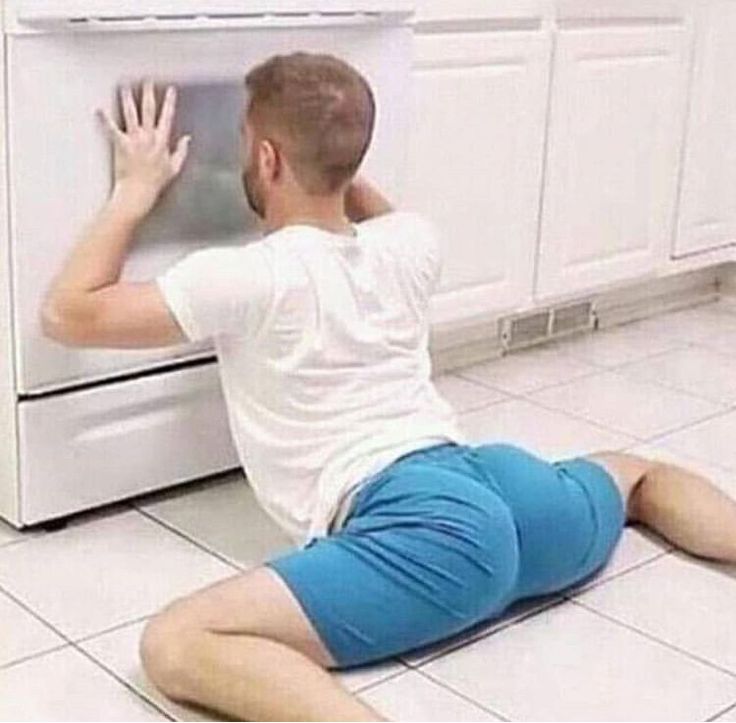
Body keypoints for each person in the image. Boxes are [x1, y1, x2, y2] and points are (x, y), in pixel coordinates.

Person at [41, 52, 736, 722]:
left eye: (246, 138)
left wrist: (135, 190)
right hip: (511, 489)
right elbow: (366, 208)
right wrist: (335, 151)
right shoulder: (411, 242)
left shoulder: (246, 276)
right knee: (639, 475)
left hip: (425, 528)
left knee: (177, 641)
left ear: (268, 160)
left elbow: (68, 312)